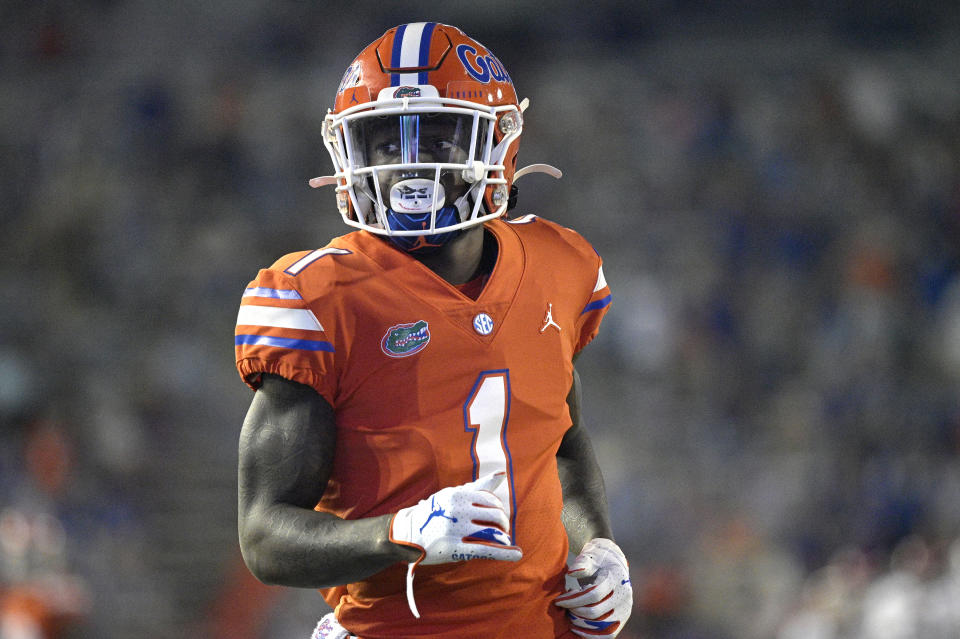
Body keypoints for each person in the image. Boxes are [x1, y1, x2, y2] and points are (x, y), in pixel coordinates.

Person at [235, 22, 632, 638]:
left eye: (441, 136)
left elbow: (564, 449)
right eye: (385, 143)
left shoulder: (558, 262)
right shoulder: (316, 297)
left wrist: (601, 551)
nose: (408, 164)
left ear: (499, 146)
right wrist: (395, 534)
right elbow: (264, 536)